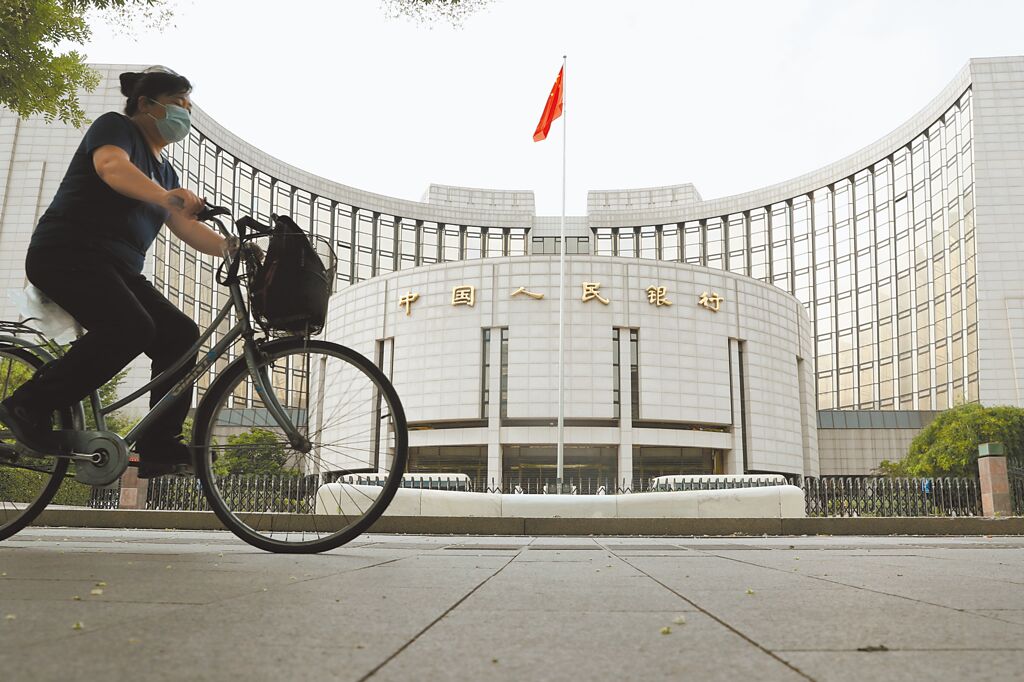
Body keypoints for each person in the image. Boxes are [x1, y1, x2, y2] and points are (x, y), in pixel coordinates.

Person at [0, 66, 231, 478]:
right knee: (130, 328)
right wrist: (167, 198)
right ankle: (28, 403)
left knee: (179, 335)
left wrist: (236, 250)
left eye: (189, 108)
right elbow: (111, 168)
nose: (186, 115)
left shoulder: (166, 173)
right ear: (146, 104)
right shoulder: (117, 128)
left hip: (117, 270)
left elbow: (187, 227)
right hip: (67, 252)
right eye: (180, 104)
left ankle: (159, 446)